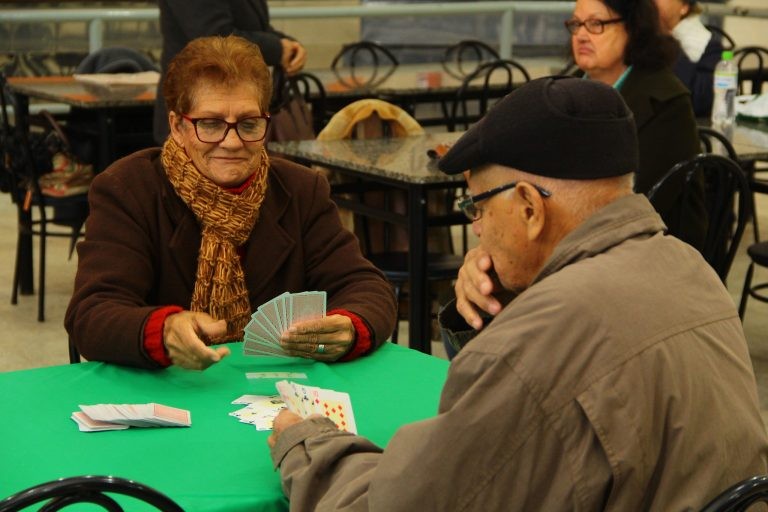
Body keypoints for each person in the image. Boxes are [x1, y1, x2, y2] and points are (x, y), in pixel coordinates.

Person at [266, 77, 768, 510]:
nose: (477, 229)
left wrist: (306, 443)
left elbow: (402, 504)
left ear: (529, 207)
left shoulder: (549, 330)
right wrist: (504, 305)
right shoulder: (689, 267)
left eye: (477, 207)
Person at [65, 35, 396, 371]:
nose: (233, 142)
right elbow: (92, 314)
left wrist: (350, 327)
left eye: (249, 124)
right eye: (210, 124)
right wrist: (162, 331)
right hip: (162, 387)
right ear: (177, 126)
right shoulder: (128, 189)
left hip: (275, 389)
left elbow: (366, 287)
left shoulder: (301, 190)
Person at [567, 0, 705, 249]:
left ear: (633, 28)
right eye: (576, 24)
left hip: (651, 247)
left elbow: (637, 203)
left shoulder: (666, 101)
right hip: (580, 235)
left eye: (596, 24)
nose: (581, 35)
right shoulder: (565, 90)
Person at [152, 0, 307, 144]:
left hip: (239, 104)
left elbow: (257, 27)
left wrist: (290, 46)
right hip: (197, 103)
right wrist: (278, 49)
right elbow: (214, 35)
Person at [655, 0, 725, 117]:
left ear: (684, 7)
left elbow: (700, 102)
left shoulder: (709, 48)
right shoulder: (635, 38)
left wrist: (667, 40)